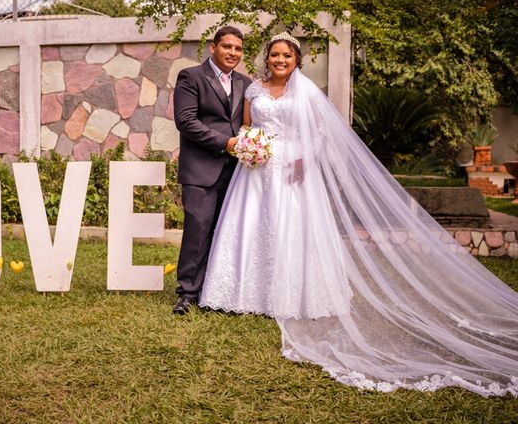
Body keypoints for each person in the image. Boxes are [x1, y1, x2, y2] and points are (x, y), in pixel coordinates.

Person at [199, 32, 518, 397]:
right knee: (251, 228)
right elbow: (247, 127)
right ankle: (246, 295)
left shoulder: (307, 92)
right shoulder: (253, 90)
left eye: (287, 55)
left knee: (292, 232)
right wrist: (249, 147)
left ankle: (292, 296)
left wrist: (304, 158)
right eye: (275, 55)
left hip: (292, 171)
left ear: (296, 60)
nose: (280, 60)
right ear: (266, 58)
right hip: (256, 171)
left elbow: (319, 134)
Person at [172, 26, 252, 315]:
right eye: (227, 47)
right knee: (198, 229)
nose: (233, 53)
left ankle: (218, 291)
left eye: (238, 49)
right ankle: (188, 293)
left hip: (238, 172)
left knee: (227, 231)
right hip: (201, 170)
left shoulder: (246, 82)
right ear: (213, 47)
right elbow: (186, 121)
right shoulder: (191, 77)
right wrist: (227, 143)